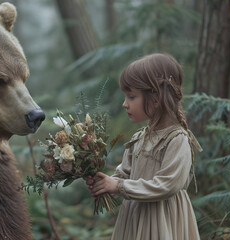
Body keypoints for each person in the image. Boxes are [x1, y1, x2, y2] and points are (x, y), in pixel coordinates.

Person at [85, 53, 202, 240]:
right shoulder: (139, 138)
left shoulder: (177, 139)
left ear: (156, 97)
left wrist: (118, 186)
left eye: (132, 96)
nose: (125, 104)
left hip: (163, 219)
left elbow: (168, 185)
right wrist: (104, 183)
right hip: (135, 217)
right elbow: (124, 175)